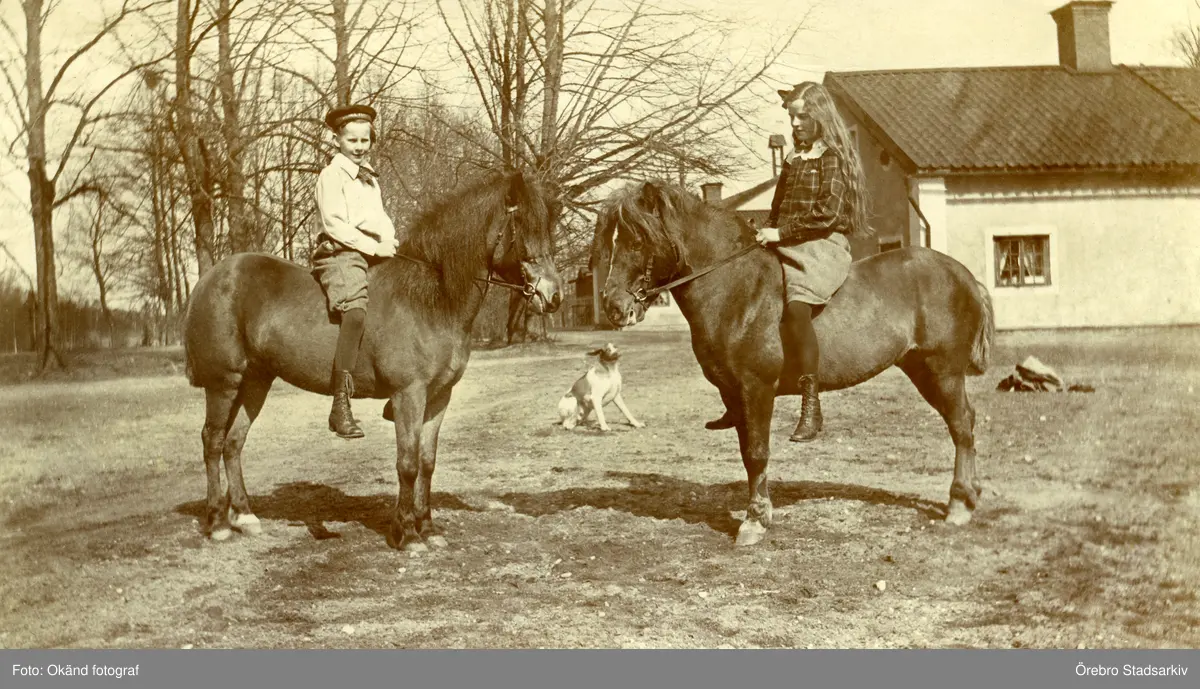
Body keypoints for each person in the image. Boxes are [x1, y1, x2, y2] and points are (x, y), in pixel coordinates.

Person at [755, 82, 870, 442]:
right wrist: (766, 232)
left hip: (821, 245)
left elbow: (827, 214)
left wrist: (780, 233)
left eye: (803, 116)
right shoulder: (794, 158)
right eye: (792, 117)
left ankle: (811, 406)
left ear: (820, 115)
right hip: (788, 242)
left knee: (797, 308)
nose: (795, 124)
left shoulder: (831, 157)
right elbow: (777, 209)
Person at [312, 103, 399, 439]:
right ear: (337, 140)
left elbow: (381, 218)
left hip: (372, 250)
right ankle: (340, 402)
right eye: (352, 140)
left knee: (404, 301)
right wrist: (373, 248)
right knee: (356, 312)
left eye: (365, 140)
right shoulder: (332, 175)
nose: (360, 146)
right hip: (341, 252)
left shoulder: (369, 177)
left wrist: (389, 241)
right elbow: (334, 224)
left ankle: (399, 389)